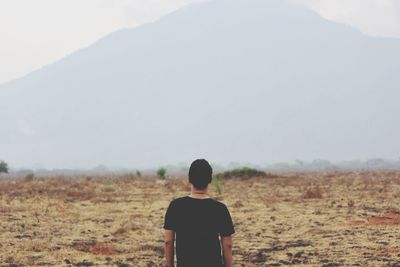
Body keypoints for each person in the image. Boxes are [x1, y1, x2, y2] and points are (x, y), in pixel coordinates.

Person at [163, 159, 235, 267]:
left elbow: (168, 242)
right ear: (210, 179)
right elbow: (227, 245)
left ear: (189, 179)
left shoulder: (176, 206)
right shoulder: (220, 209)